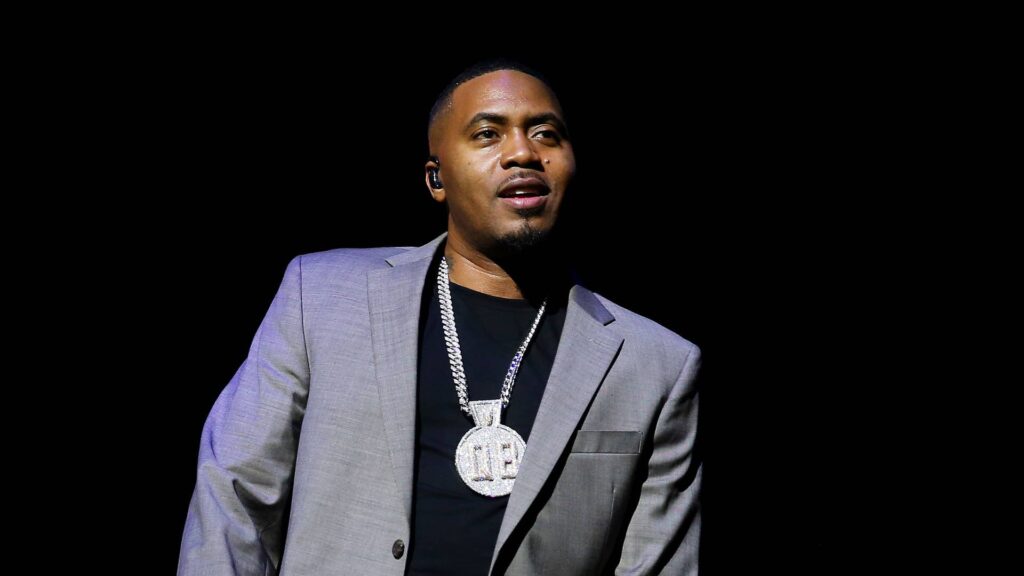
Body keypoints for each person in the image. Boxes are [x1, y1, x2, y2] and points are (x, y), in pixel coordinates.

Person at [178, 60, 702, 576]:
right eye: (487, 134)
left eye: (546, 134)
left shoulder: (655, 363)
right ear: (437, 178)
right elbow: (236, 493)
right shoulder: (320, 294)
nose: (523, 153)